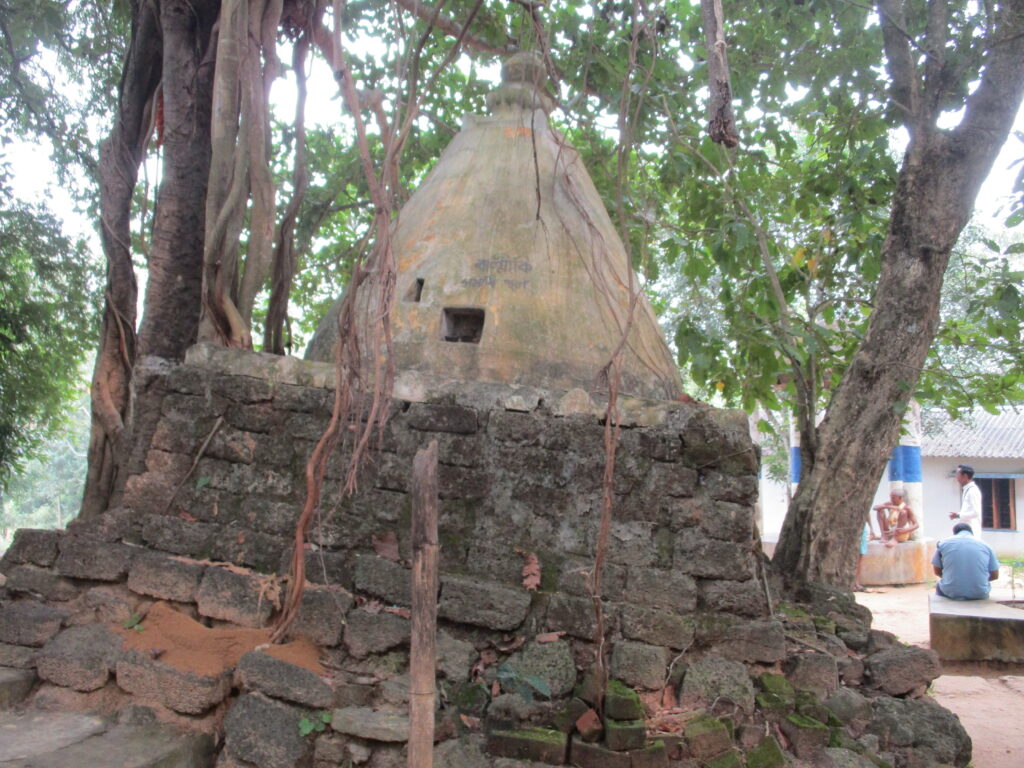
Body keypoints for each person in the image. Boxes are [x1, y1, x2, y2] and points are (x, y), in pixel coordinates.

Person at [932, 522, 999, 599]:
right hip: (979, 593)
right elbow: (995, 575)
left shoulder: (943, 544)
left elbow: (937, 571)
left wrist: (951, 579)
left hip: (950, 591)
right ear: (971, 533)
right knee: (984, 586)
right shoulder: (986, 546)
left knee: (939, 586)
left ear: (955, 533)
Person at [949, 464, 983, 540]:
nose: (956, 477)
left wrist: (958, 515)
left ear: (965, 476)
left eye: (958, 474)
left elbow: (975, 512)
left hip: (972, 531)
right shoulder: (967, 490)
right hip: (965, 531)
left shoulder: (972, 491)